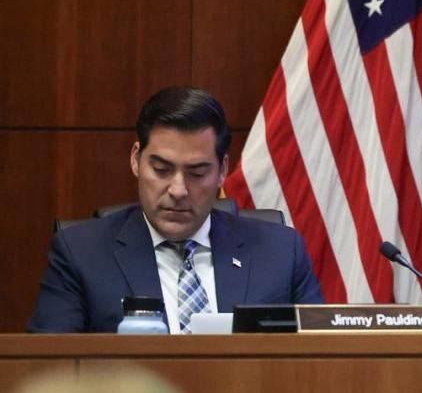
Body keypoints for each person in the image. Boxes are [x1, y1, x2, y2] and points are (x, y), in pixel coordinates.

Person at [28, 87, 323, 333]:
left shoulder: (281, 252)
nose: (178, 190)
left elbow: (322, 362)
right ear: (136, 160)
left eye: (197, 173)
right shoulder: (80, 254)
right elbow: (48, 372)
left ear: (222, 170)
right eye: (161, 169)